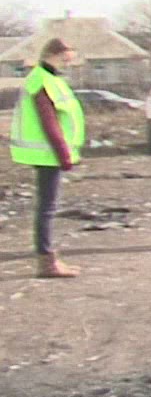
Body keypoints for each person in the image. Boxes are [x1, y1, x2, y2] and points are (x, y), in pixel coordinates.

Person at [9, 38, 85, 277]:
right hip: (47, 153)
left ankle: (49, 259)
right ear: (56, 54)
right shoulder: (43, 81)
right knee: (47, 208)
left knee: (47, 206)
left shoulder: (49, 78)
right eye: (67, 57)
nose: (68, 62)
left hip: (50, 152)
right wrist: (64, 154)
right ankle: (47, 261)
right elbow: (49, 123)